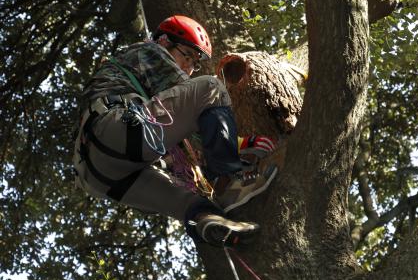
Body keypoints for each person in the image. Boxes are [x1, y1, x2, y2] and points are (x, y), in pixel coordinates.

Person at [73, 15, 278, 247]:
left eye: (194, 64)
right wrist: (238, 144)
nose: (188, 68)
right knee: (211, 88)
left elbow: (185, 126)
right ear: (163, 42)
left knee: (189, 202)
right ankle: (230, 183)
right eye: (186, 56)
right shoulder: (149, 51)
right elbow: (196, 104)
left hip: (99, 174)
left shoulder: (141, 77)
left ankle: (207, 222)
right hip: (118, 128)